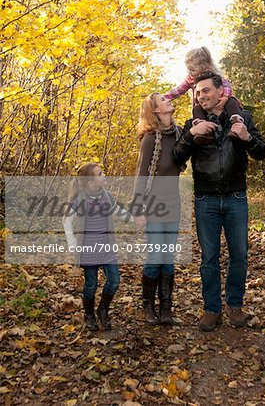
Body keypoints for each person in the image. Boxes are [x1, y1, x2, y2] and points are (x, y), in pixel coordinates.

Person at [172, 72, 265, 331]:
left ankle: (234, 306)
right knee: (209, 258)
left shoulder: (242, 117)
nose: (201, 96)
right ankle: (212, 309)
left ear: (220, 92)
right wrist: (192, 134)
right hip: (206, 199)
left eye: (206, 91)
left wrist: (247, 137)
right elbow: (176, 155)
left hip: (236, 197)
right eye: (198, 92)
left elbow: (262, 151)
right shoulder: (193, 121)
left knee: (239, 255)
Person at [63, 162, 133, 331]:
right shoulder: (80, 200)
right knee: (91, 284)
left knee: (114, 281)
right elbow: (67, 220)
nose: (104, 175)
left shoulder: (106, 196)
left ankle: (103, 309)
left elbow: (119, 211)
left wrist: (135, 219)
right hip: (88, 250)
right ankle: (89, 314)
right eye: (100, 173)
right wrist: (72, 243)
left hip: (107, 248)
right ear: (90, 181)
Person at [132, 93, 182, 325]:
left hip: (173, 205)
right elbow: (141, 176)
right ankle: (148, 307)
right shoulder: (150, 139)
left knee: (168, 259)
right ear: (156, 110)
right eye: (163, 99)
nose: (168, 99)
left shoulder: (180, 134)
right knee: (155, 257)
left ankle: (166, 309)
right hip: (152, 207)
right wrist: (138, 210)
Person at [164, 47, 244, 142]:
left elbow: (227, 86)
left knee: (232, 101)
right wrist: (164, 98)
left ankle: (236, 124)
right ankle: (203, 131)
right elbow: (178, 91)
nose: (190, 72)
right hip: (203, 107)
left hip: (221, 103)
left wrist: (226, 97)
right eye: (188, 70)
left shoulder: (215, 76)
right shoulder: (190, 79)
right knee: (196, 109)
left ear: (203, 66)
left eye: (192, 70)